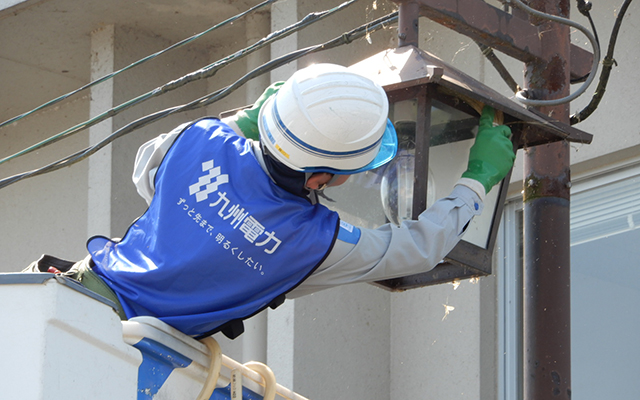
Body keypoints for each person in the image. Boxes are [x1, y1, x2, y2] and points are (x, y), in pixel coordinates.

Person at [25, 63, 515, 339]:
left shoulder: (198, 138)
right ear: (321, 176)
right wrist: (476, 180)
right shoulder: (314, 241)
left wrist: (244, 122)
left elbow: (147, 174)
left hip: (77, 292)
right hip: (142, 346)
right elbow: (416, 250)